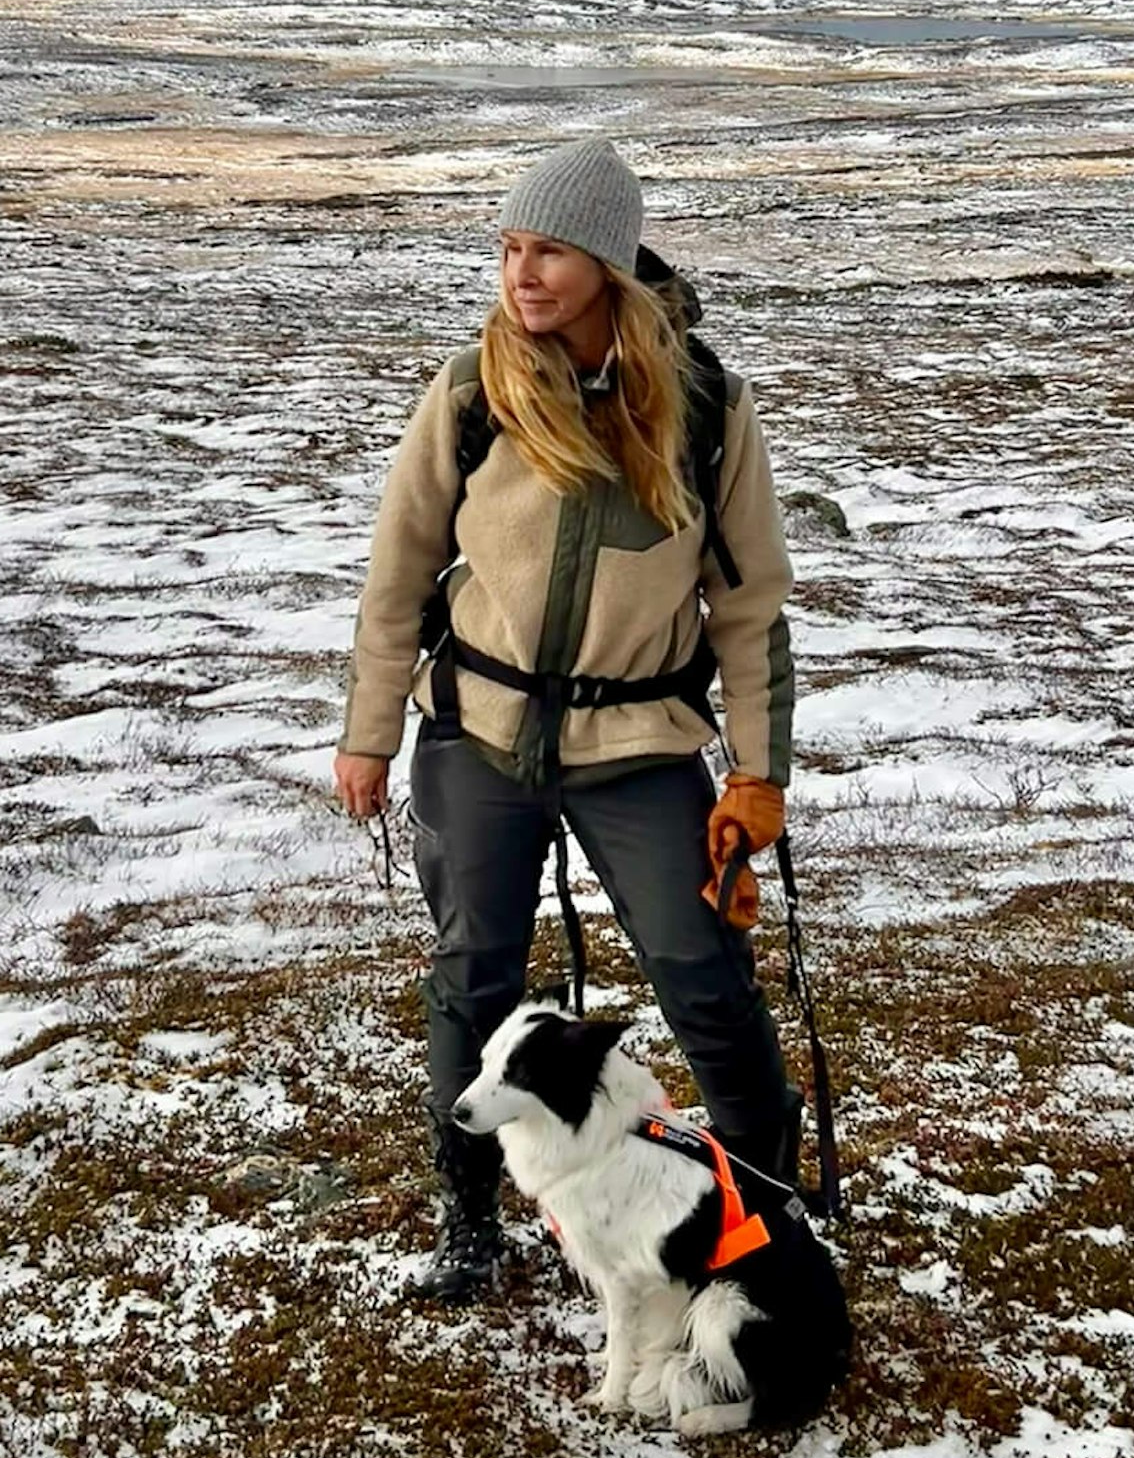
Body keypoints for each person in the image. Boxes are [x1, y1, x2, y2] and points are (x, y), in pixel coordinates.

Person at [331, 136, 800, 1306]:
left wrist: (758, 774)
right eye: (507, 248)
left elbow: (749, 609)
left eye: (546, 249)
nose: (521, 272)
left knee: (703, 976)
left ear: (605, 260)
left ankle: (762, 1210)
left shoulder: (699, 401)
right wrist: (370, 731)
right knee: (471, 978)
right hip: (477, 735)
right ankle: (469, 1215)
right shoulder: (472, 390)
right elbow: (398, 576)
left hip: (638, 748)